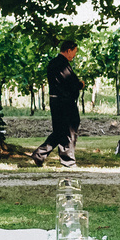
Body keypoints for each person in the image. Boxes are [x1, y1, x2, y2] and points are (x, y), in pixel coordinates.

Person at [32, 39, 83, 167]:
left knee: (60, 130)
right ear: (69, 50)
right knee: (69, 130)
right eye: (74, 52)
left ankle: (39, 154)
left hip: (55, 100)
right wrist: (80, 85)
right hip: (64, 102)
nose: (75, 55)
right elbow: (70, 83)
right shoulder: (62, 64)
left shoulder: (53, 63)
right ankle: (68, 161)